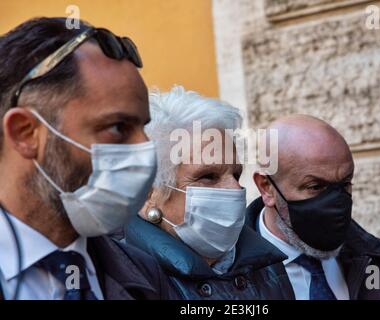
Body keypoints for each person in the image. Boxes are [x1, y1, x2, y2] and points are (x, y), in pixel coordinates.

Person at [0, 17, 172, 300]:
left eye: (143, 127)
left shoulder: (145, 275)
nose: (144, 149)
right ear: (25, 133)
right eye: (118, 127)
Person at [125, 86, 294, 300]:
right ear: (149, 195)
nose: (235, 189)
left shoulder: (267, 268)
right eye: (208, 176)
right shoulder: (121, 278)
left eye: (236, 174)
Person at [246, 114, 380, 300]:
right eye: (315, 187)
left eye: (345, 183)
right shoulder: (225, 279)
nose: (335, 204)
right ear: (266, 187)